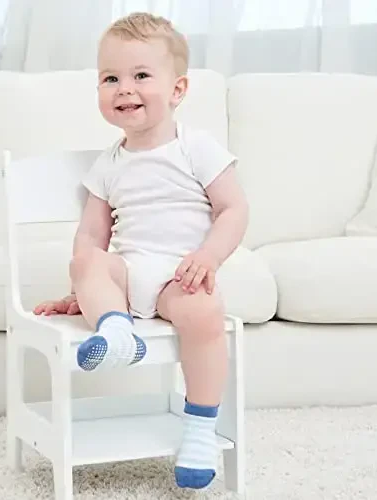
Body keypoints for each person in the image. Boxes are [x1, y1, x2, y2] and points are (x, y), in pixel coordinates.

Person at [34, 12, 249, 490]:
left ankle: (199, 428)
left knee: (204, 312)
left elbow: (234, 209)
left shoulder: (196, 148)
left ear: (177, 89)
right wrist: (85, 290)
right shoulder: (108, 164)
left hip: (180, 276)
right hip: (129, 277)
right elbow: (92, 237)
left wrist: (209, 257)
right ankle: (115, 330)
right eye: (110, 78)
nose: (124, 89)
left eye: (141, 76)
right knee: (84, 259)